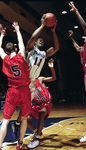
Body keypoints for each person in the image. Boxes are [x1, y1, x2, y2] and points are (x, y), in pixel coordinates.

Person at [11, 14, 59, 139]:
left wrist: (53, 32)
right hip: (25, 79)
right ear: (36, 43)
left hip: (32, 82)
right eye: (39, 39)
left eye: (43, 40)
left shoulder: (44, 53)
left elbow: (56, 48)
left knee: (26, 107)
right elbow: (33, 37)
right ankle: (18, 124)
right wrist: (43, 25)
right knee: (23, 104)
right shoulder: (31, 48)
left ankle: (16, 123)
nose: (41, 40)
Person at [68, 1, 86, 143]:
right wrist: (72, 38)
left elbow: (84, 26)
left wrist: (76, 11)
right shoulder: (83, 50)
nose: (84, 37)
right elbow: (76, 48)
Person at [0, 22, 31, 150]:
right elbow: (22, 43)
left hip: (12, 91)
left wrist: (1, 35)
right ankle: (20, 142)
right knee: (24, 119)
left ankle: (0, 145)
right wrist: (18, 30)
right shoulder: (21, 56)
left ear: (7, 51)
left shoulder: (5, 59)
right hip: (24, 91)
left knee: (5, 120)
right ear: (16, 49)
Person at [26, 58, 56, 149]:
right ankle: (36, 131)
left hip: (46, 103)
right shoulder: (27, 86)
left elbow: (54, 78)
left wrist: (51, 68)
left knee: (42, 113)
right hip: (36, 105)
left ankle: (38, 138)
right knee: (26, 119)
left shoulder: (40, 79)